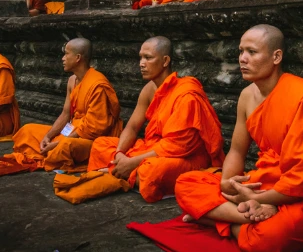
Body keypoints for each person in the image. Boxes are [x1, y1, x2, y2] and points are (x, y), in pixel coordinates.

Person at [175, 25, 303, 252]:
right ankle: (247, 218)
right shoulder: (247, 96)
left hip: (302, 195)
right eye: (241, 51)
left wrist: (265, 199)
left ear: (276, 57)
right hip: (260, 183)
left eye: (252, 52)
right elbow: (236, 150)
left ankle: (216, 219)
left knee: (266, 241)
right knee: (185, 184)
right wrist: (229, 184)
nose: (243, 59)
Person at [88, 36, 224, 202]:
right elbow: (131, 127)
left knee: (152, 171)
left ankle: (118, 171)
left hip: (185, 157)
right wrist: (119, 154)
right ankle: (122, 170)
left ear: (165, 60)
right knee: (100, 144)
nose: (141, 63)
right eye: (140, 57)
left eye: (148, 57)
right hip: (154, 148)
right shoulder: (149, 90)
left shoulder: (187, 94)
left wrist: (132, 162)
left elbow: (177, 146)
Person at [0, 38, 122, 175]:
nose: (62, 58)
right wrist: (48, 136)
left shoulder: (98, 85)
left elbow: (94, 128)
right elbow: (66, 114)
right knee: (27, 131)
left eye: (66, 54)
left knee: (67, 147)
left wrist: (59, 142)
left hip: (86, 139)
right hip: (70, 131)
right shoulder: (72, 81)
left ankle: (51, 154)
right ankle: (50, 152)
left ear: (78, 58)